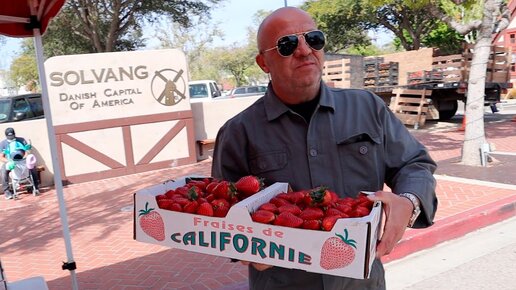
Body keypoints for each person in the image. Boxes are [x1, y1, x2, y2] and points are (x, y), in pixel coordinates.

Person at [211, 7, 437, 290]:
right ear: (263, 62)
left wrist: (410, 200)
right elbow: (220, 215)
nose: (304, 50)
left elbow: (414, 163)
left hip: (362, 282)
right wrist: (242, 248)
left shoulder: (368, 108)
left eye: (314, 39)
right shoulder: (238, 132)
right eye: (287, 44)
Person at [1, 127, 40, 199]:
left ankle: (35, 186)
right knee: (3, 169)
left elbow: (27, 151)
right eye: (9, 136)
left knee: (32, 166)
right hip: (11, 161)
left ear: (14, 134)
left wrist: (24, 158)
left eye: (12, 135)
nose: (11, 137)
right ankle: (7, 191)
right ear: (6, 136)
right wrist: (9, 161)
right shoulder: (3, 143)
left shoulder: (21, 140)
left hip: (23, 160)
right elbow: (1, 157)